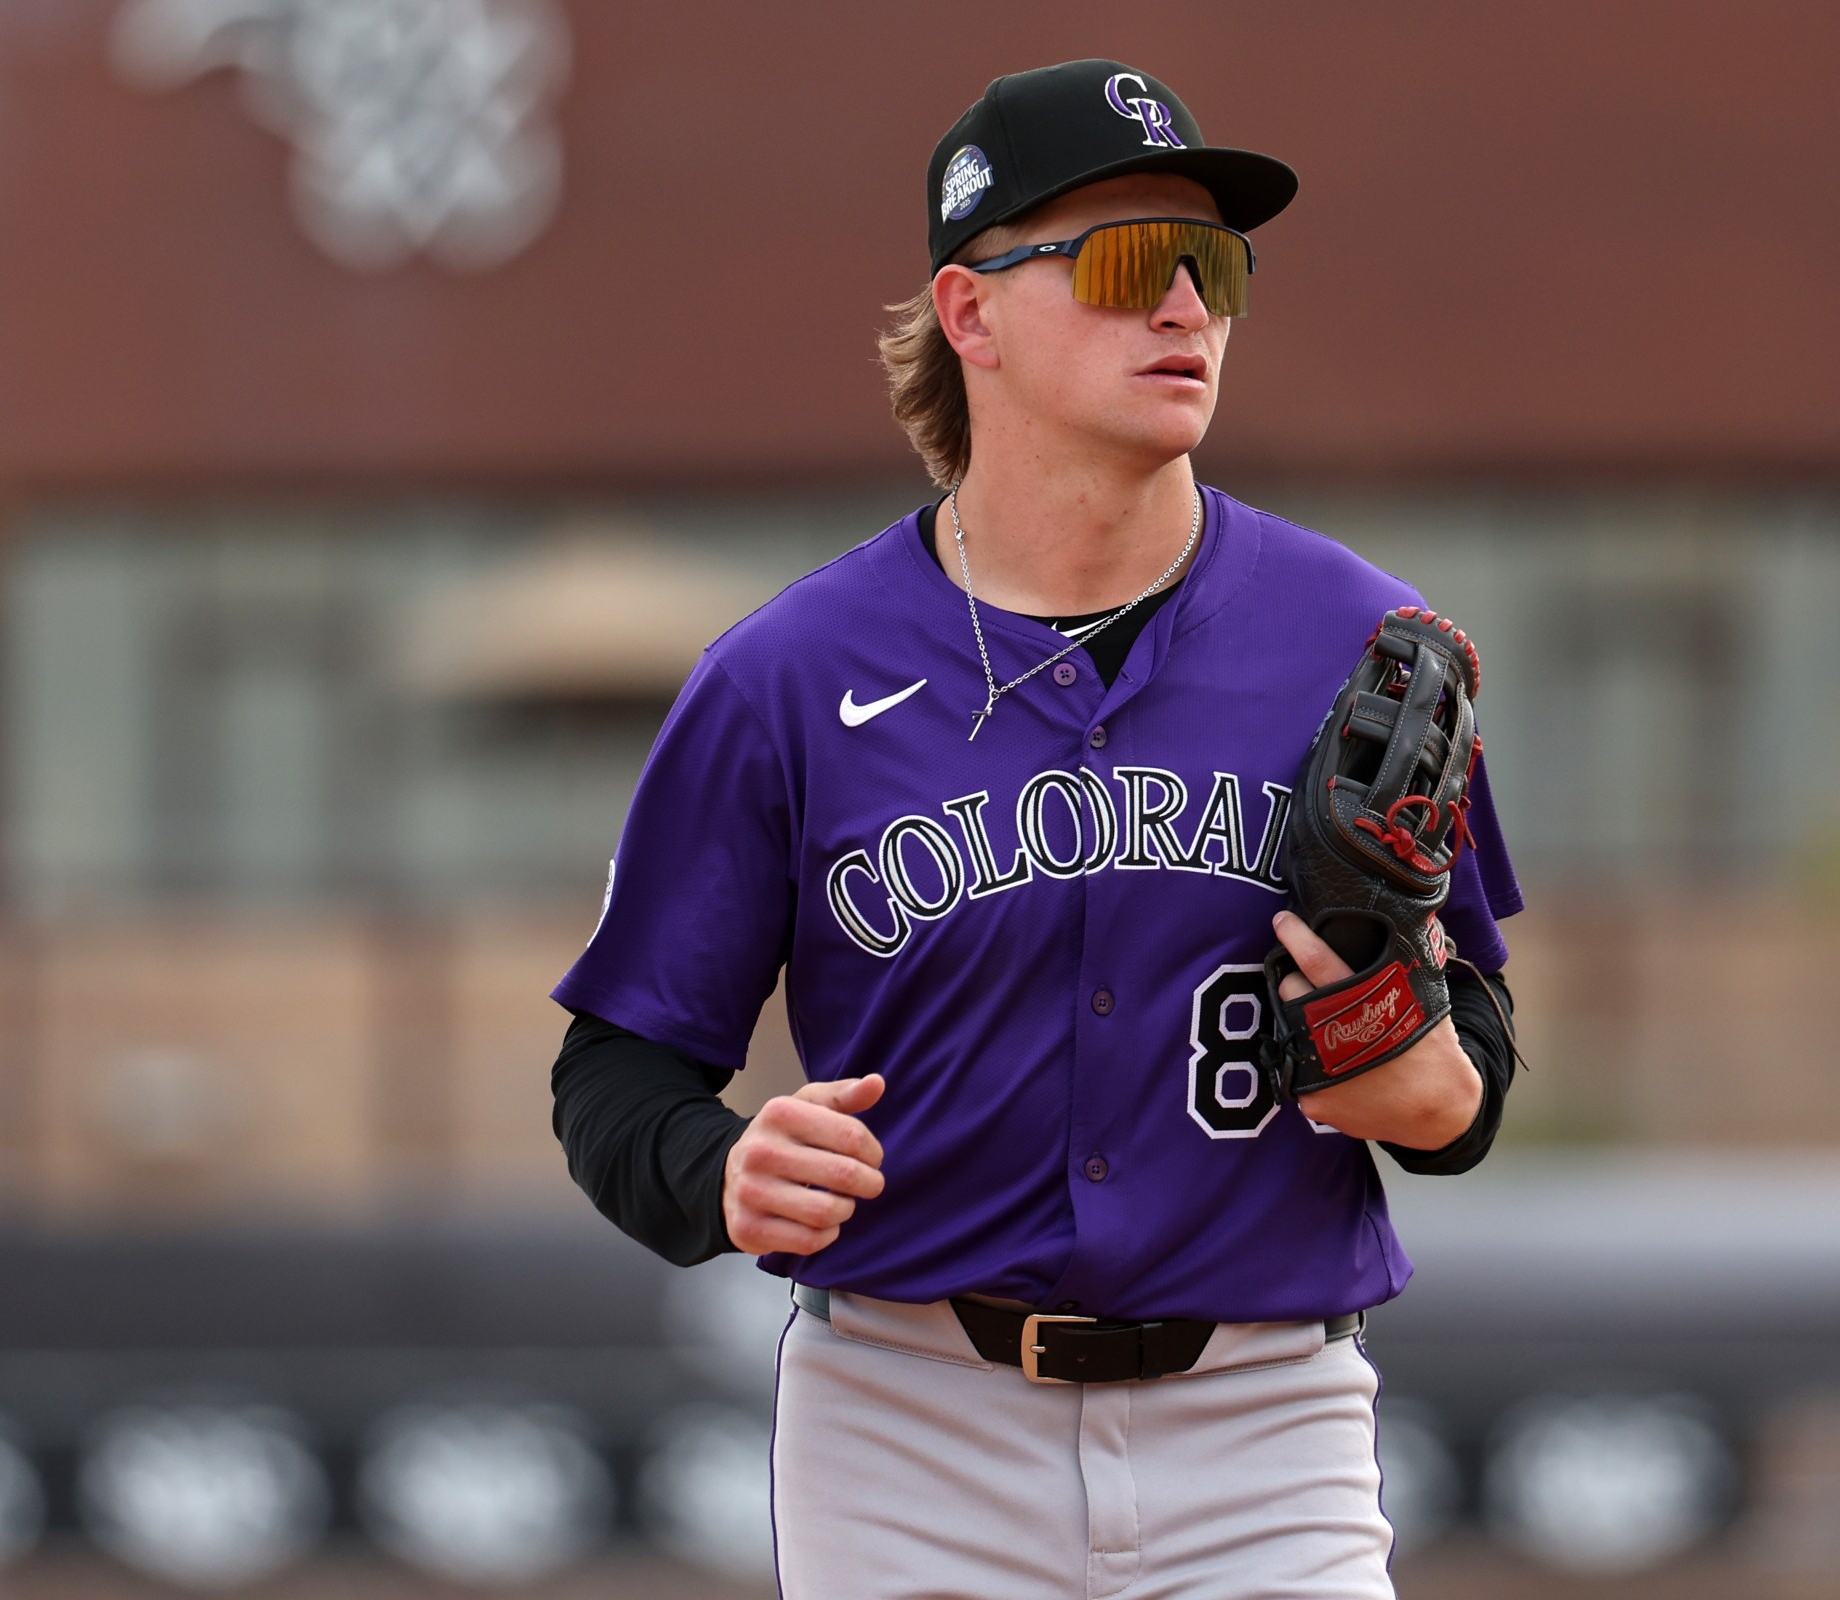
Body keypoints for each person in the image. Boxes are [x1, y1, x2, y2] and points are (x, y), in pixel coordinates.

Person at [548, 58, 1524, 1599]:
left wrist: (1432, 1081)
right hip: (909, 1424)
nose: (1186, 311)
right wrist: (720, 1167)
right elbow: (616, 1072)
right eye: (1133, 264)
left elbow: (1467, 1070)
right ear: (971, 311)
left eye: (1213, 269)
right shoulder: (790, 677)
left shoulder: (1362, 640)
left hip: (1263, 1424)